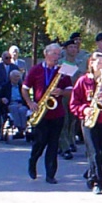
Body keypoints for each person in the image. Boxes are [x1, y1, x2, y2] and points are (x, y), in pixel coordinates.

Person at [23, 43, 73, 184]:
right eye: (54, 54)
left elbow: (70, 90)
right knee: (40, 142)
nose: (57, 57)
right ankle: (33, 161)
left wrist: (62, 92)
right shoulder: (36, 70)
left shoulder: (63, 71)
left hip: (57, 114)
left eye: (58, 54)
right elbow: (25, 88)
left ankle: (50, 174)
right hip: (41, 113)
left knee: (53, 144)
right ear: (46, 53)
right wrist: (30, 103)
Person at [70, 52, 102, 195]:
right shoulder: (83, 81)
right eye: (98, 63)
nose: (101, 66)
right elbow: (74, 103)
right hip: (88, 121)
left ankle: (91, 173)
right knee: (94, 152)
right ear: (91, 63)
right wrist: (84, 109)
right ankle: (98, 182)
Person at [58, 39, 85, 159]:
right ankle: (64, 147)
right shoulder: (60, 63)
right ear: (66, 49)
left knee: (73, 121)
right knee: (64, 121)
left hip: (76, 95)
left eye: (75, 47)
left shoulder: (80, 63)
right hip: (63, 95)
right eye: (71, 47)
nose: (73, 50)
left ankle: (70, 140)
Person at [0, 70, 31, 140]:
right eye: (15, 76)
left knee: (23, 110)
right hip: (10, 104)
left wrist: (22, 104)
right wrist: (2, 99)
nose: (17, 78)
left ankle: (22, 128)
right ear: (10, 77)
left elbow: (27, 98)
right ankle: (18, 126)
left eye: (18, 76)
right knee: (13, 108)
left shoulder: (22, 87)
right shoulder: (5, 86)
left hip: (20, 104)